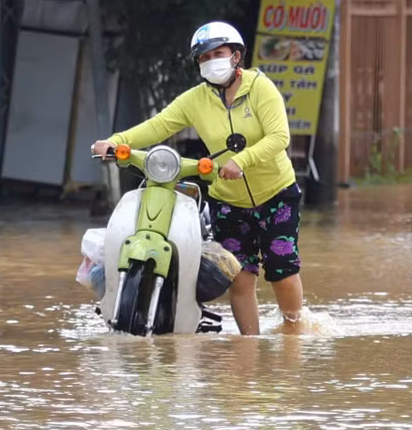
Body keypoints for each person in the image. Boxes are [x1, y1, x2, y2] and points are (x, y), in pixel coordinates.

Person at [91, 21, 305, 335]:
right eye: (203, 57)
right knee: (241, 277)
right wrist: (117, 140)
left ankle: (294, 334)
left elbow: (279, 137)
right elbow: (159, 125)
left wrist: (241, 161)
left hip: (277, 194)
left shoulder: (260, 88)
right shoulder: (195, 99)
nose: (210, 61)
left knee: (281, 272)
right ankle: (250, 346)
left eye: (218, 53)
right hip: (228, 200)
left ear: (236, 56)